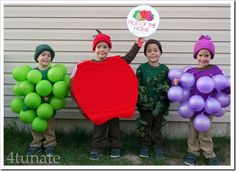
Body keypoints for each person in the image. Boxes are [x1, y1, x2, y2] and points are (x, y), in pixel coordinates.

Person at [80, 30, 144, 160]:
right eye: (99, 47)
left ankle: (116, 147)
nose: (102, 50)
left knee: (114, 127)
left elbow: (128, 58)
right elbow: (83, 85)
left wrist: (137, 44)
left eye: (105, 47)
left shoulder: (114, 62)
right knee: (99, 128)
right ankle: (97, 148)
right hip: (98, 105)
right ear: (94, 49)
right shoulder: (88, 66)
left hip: (113, 103)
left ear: (109, 49)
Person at [174, 35, 229, 165]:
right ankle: (192, 151)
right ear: (196, 55)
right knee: (192, 131)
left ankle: (209, 152)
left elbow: (223, 85)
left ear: (211, 57)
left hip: (208, 108)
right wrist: (177, 82)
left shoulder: (216, 70)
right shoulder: (190, 71)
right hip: (193, 107)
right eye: (200, 55)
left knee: (205, 132)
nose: (203, 58)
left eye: (206, 55)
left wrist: (229, 89)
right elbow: (184, 86)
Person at [136, 39, 170, 159]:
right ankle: (144, 145)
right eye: (149, 51)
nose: (152, 53)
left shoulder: (165, 69)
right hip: (145, 104)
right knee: (145, 125)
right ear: (145, 53)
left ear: (160, 52)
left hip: (159, 105)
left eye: (156, 50)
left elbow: (169, 86)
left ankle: (157, 145)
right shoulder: (141, 68)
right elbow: (136, 85)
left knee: (157, 125)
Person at [27, 44, 57, 157]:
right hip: (35, 105)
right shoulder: (32, 73)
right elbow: (28, 88)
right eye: (43, 54)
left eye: (49, 55)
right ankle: (35, 144)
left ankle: (50, 145)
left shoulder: (53, 73)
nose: (46, 57)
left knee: (49, 126)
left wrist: (49, 96)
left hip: (48, 105)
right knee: (36, 126)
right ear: (37, 58)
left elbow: (57, 88)